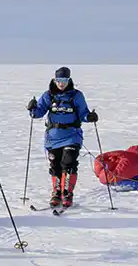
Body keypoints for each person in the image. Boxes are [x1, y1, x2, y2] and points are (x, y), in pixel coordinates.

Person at [26, 67, 97, 210]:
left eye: (64, 80)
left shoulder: (76, 96)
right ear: (54, 80)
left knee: (68, 163)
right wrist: (32, 109)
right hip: (53, 137)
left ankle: (67, 193)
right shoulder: (49, 95)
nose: (61, 84)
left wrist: (89, 117)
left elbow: (83, 113)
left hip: (72, 135)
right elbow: (38, 113)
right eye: (58, 80)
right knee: (55, 166)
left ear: (69, 80)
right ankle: (57, 193)